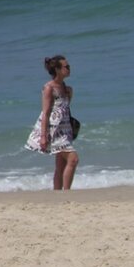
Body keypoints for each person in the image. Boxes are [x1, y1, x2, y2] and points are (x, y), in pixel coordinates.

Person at [25, 55, 80, 190]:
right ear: (57, 69)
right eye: (66, 67)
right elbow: (46, 113)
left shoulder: (67, 89)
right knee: (73, 159)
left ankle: (57, 195)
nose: (69, 69)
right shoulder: (49, 88)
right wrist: (43, 136)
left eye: (69, 66)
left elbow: (64, 112)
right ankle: (66, 193)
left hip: (65, 131)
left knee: (61, 165)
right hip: (54, 131)